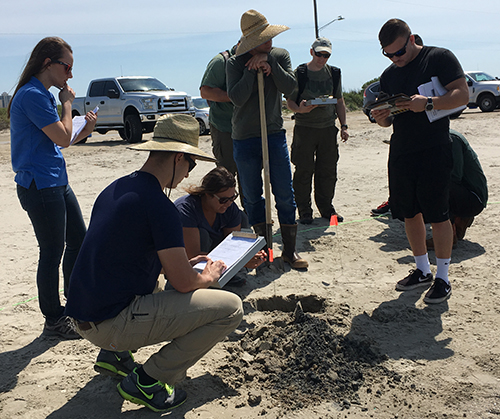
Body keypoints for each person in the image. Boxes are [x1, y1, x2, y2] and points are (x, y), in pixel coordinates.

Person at [65, 114, 243, 412]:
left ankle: (115, 357)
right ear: (178, 158)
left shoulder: (117, 188)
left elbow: (127, 256)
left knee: (165, 279)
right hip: (108, 325)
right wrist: (209, 275)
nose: (188, 175)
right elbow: (186, 283)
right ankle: (147, 380)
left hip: (84, 313)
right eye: (191, 164)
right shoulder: (160, 206)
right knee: (230, 308)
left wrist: (186, 262)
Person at [371, 19, 469, 304]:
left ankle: (443, 278)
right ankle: (423, 270)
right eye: (388, 54)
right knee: (409, 213)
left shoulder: (439, 57)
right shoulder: (389, 74)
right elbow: (390, 119)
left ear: (411, 39)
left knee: (438, 215)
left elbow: (462, 94)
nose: (395, 59)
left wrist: (427, 103)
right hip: (402, 149)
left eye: (399, 52)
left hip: (434, 147)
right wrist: (382, 118)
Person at [8, 36, 97, 339]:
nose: (70, 75)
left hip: (55, 180)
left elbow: (60, 141)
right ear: (48, 63)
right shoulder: (32, 95)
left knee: (78, 240)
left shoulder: (41, 94)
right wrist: (69, 104)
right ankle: (54, 319)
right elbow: (61, 137)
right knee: (52, 251)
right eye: (67, 67)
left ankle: (73, 307)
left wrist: (82, 130)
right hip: (40, 185)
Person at [226, 9, 308, 269]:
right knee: (251, 196)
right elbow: (236, 98)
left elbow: (290, 87)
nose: (269, 43)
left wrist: (269, 65)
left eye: (269, 37)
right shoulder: (233, 63)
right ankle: (264, 252)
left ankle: (289, 252)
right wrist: (251, 71)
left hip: (273, 133)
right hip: (244, 137)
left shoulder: (280, 55)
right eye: (262, 40)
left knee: (285, 193)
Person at [286, 37, 349, 225]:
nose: (322, 58)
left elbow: (339, 101)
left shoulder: (335, 73)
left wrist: (344, 126)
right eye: (319, 54)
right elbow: (290, 101)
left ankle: (326, 207)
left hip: (328, 129)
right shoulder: (300, 72)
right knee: (304, 170)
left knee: (328, 170)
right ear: (312, 52)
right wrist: (299, 109)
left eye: (326, 55)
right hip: (305, 128)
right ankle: (304, 210)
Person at [175, 167, 267, 279]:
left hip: (214, 253)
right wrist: (240, 261)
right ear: (208, 194)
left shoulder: (229, 208)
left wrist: (246, 257)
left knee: (241, 217)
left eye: (232, 198)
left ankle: (231, 274)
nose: (228, 203)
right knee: (203, 235)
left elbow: (232, 246)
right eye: (223, 200)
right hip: (187, 263)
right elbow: (193, 256)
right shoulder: (186, 210)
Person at [426, 129, 488, 247]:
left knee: (436, 184)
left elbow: (453, 176)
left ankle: (450, 235)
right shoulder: (436, 137)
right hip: (464, 192)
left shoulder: (450, 138)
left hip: (474, 198)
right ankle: (455, 222)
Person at [200, 44, 240, 185]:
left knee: (248, 178)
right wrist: (235, 96)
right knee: (225, 176)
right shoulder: (220, 62)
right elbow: (205, 92)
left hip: (249, 129)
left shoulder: (257, 57)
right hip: (224, 127)